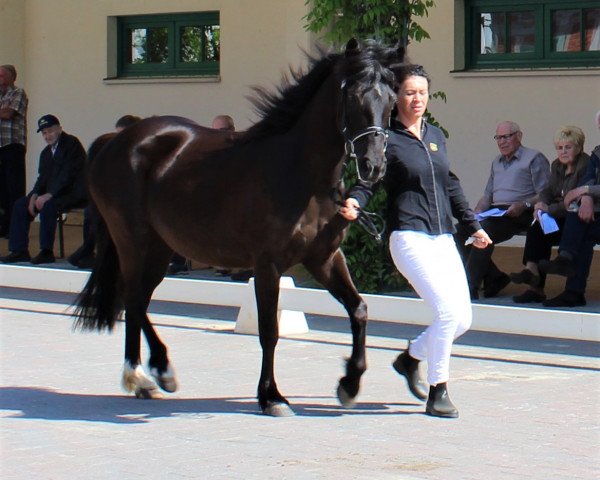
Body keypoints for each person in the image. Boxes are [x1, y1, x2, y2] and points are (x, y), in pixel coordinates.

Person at [339, 64, 492, 419]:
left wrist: (473, 227)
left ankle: (410, 359)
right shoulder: (388, 139)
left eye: (422, 92)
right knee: (447, 313)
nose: (417, 98)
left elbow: (450, 185)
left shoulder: (435, 135)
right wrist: (355, 200)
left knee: (462, 320)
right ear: (396, 98)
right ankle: (439, 391)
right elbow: (370, 179)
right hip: (408, 236)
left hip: (443, 237)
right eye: (410, 92)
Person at [455, 121, 550, 299]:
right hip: (496, 212)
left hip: (521, 212)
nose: (502, 142)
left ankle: (470, 285)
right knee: (460, 230)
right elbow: (487, 195)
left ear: (519, 136)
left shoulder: (534, 158)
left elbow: (545, 192)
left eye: (507, 136)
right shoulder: (496, 162)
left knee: (484, 231)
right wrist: (476, 212)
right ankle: (494, 277)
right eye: (498, 138)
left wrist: (523, 205)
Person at [509, 126, 589, 303]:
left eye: (568, 147)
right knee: (538, 225)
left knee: (548, 221)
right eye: (559, 148)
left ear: (578, 147)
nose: (563, 151)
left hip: (575, 221)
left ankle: (559, 276)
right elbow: (548, 190)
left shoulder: (585, 166)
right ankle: (533, 277)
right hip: (561, 217)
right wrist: (540, 205)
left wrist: (549, 209)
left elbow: (574, 200)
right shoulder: (557, 165)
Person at [1, 114, 86, 264]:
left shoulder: (72, 144)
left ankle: (46, 251)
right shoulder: (46, 153)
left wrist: (49, 195)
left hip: (73, 193)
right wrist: (34, 195)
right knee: (21, 204)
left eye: (50, 131)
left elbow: (68, 174)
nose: (47, 136)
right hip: (53, 194)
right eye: (44, 133)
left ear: (59, 129)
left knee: (48, 205)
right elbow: (42, 178)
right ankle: (19, 250)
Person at [539, 112, 600, 307]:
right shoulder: (598, 153)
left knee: (581, 227)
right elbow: (589, 179)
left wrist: (585, 191)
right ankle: (572, 289)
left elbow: (585, 185)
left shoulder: (589, 157)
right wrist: (587, 198)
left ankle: (567, 267)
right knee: (581, 223)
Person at [68, 115, 142, 268]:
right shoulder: (118, 153)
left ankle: (90, 250)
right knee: (92, 210)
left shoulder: (140, 152)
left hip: (137, 200)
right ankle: (90, 251)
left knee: (107, 213)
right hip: (119, 198)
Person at [0, 65, 28, 238]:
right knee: (1, 189)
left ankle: (16, 228)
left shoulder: (18, 93)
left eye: (2, 76)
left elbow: (8, 113)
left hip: (12, 146)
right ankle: (4, 226)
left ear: (12, 77)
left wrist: (3, 111)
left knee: (14, 188)